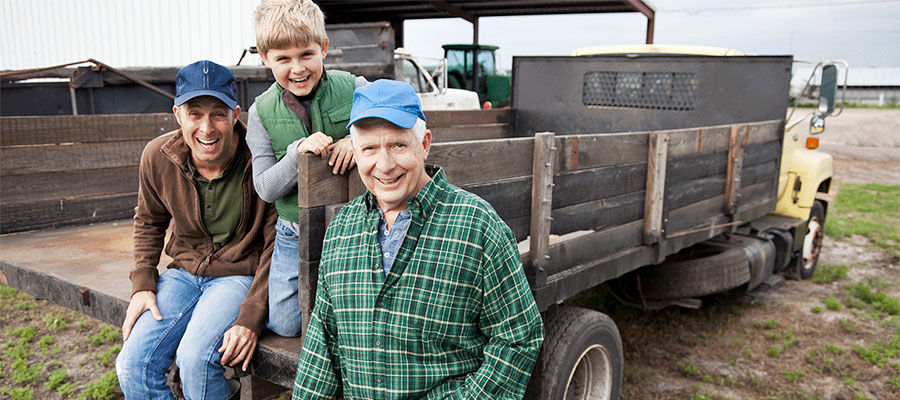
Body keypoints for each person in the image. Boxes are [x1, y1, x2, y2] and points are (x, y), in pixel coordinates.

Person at [292, 80, 544, 399]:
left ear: (424, 144)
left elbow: (518, 338)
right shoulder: (343, 227)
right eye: (369, 148)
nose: (384, 165)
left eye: (398, 145)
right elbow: (323, 343)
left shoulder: (477, 226)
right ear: (355, 152)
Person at [116, 60, 276, 400]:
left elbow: (275, 241)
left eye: (218, 113)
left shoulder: (260, 159)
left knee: (196, 360)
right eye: (194, 113)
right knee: (132, 364)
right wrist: (143, 283)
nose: (207, 127)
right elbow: (148, 219)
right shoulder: (158, 157)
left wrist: (251, 315)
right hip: (183, 274)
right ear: (177, 114)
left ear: (236, 114)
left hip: (236, 275)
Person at [247, 0, 368, 337]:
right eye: (283, 59)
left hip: (353, 225)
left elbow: (409, 124)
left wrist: (357, 139)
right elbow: (266, 188)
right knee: (286, 324)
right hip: (292, 230)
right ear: (264, 58)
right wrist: (296, 153)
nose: (297, 69)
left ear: (324, 48)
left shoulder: (355, 87)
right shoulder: (260, 113)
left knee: (353, 309)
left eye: (306, 55)